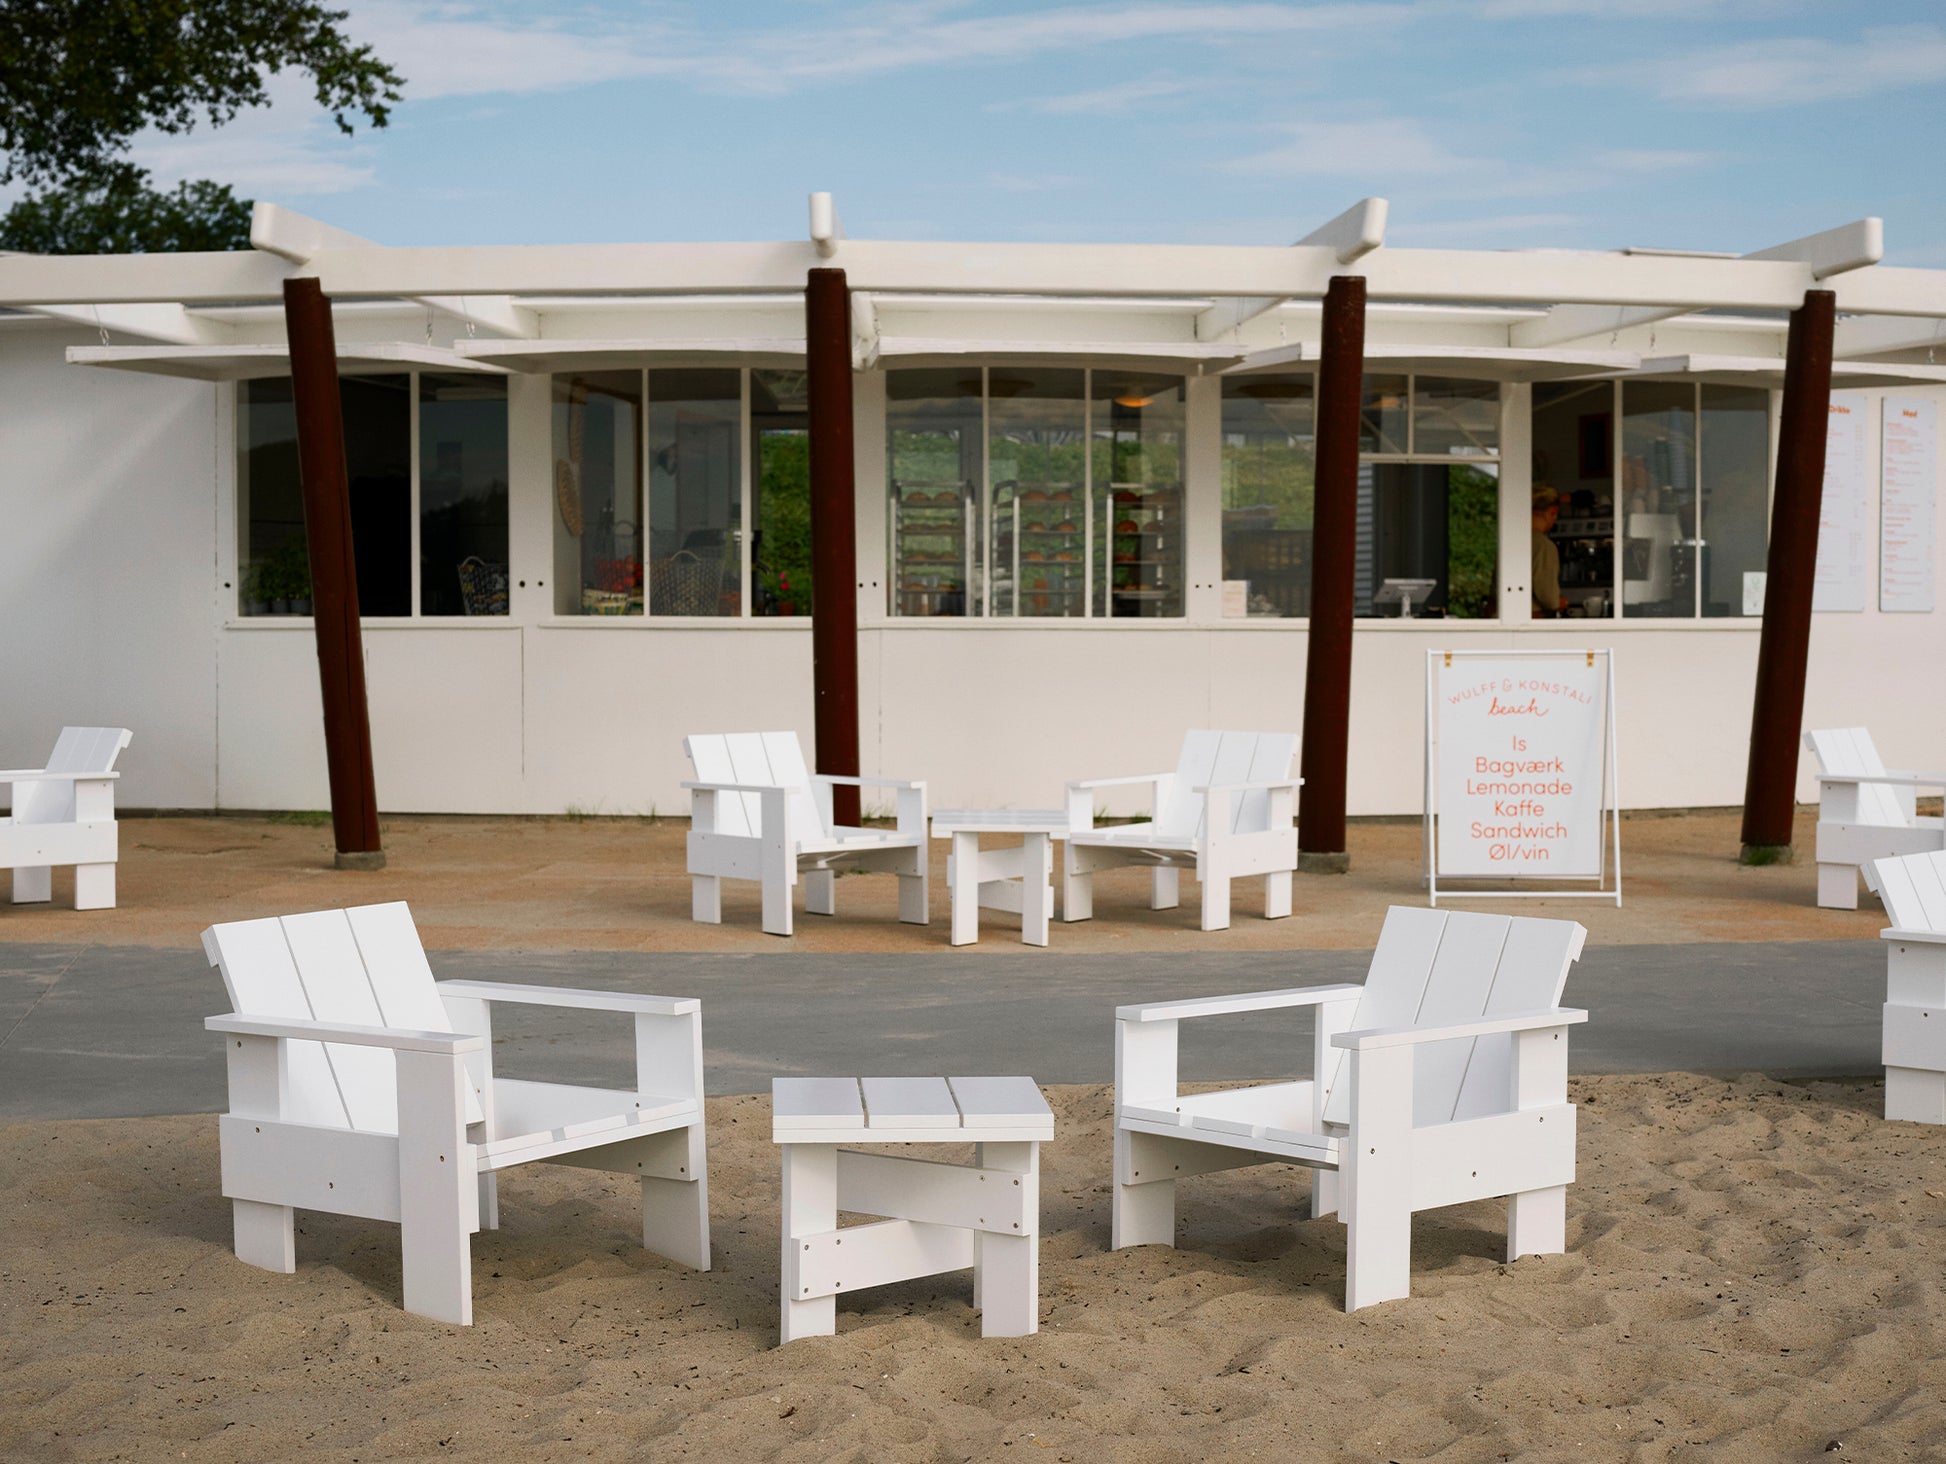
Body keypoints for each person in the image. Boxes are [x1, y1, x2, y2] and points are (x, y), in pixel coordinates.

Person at [1531, 486, 1566, 617]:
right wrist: (1563, 602)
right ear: (1553, 512)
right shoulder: (1544, 546)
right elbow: (1550, 600)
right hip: (1531, 621)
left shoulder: (1511, 541)